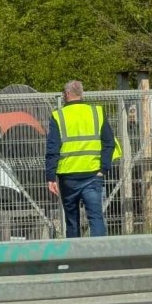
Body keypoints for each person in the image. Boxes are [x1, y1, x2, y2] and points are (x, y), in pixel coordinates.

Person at [46, 80, 120, 238]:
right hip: (93, 175)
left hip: (68, 176)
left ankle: (75, 258)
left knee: (72, 221)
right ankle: (99, 257)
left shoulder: (58, 116)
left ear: (66, 95)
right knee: (96, 218)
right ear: (81, 93)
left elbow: (53, 148)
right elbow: (109, 142)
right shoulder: (97, 112)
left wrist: (50, 176)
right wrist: (103, 168)